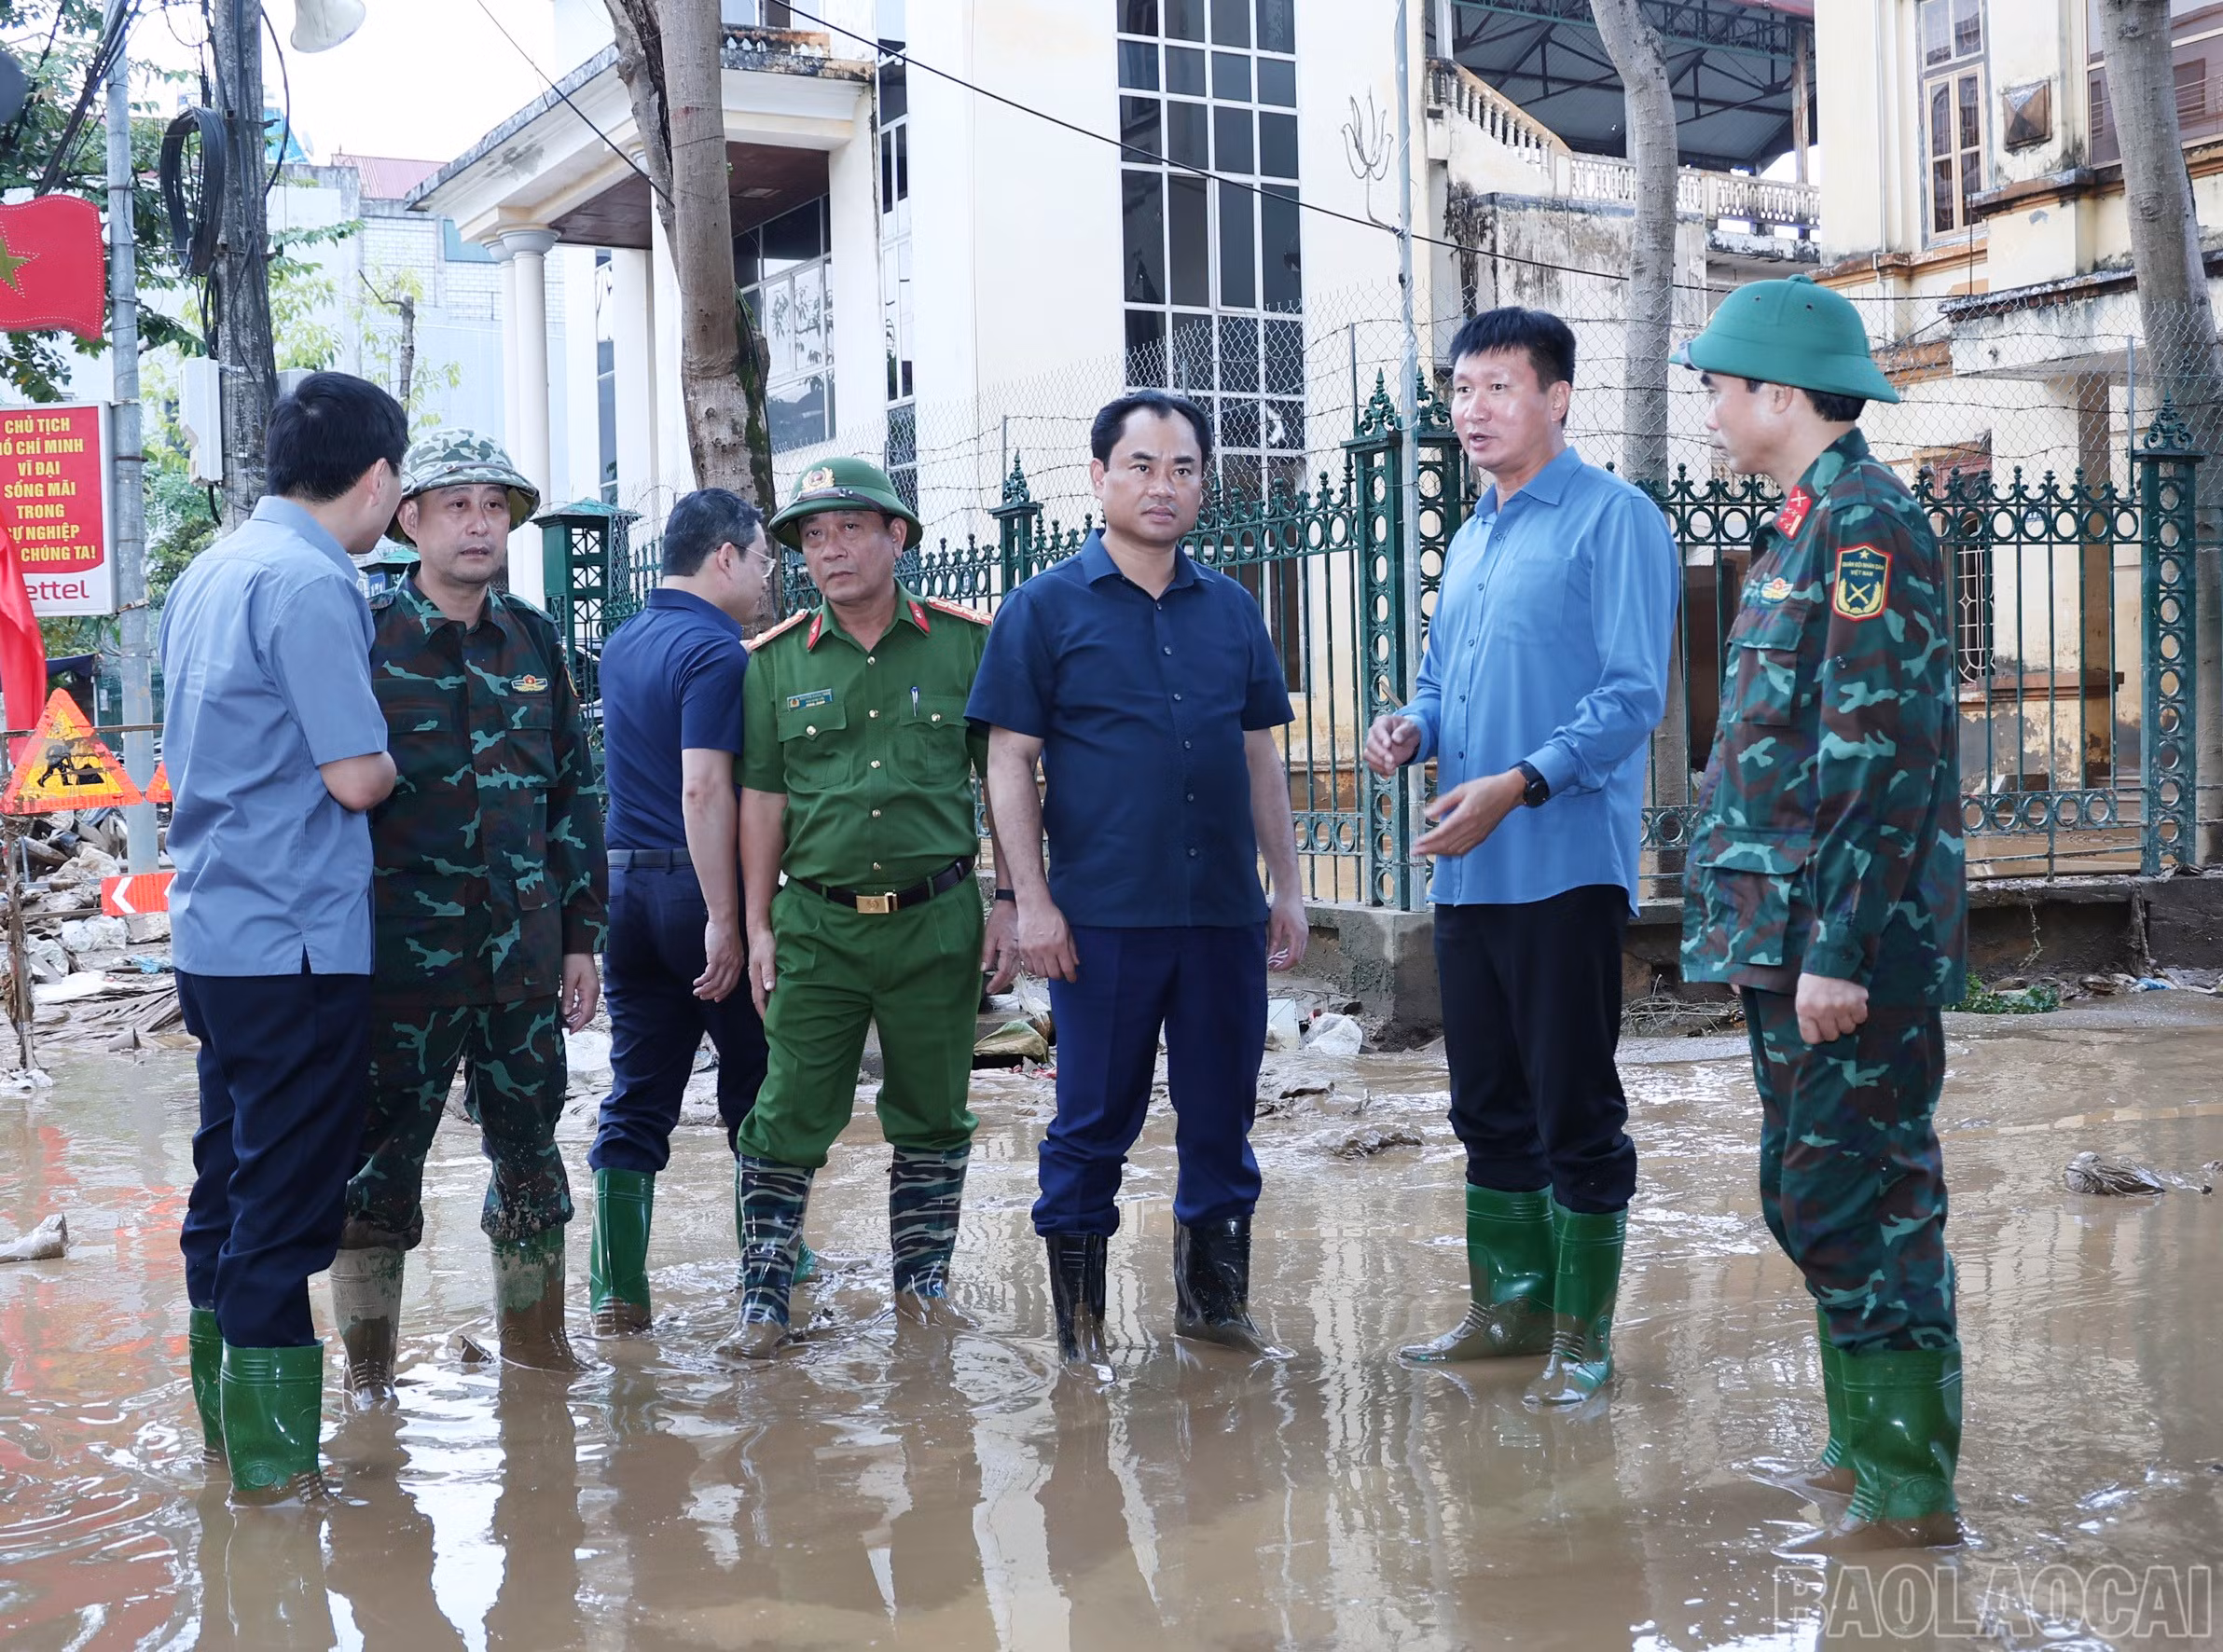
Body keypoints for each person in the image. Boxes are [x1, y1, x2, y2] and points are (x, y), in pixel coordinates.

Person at [1676, 274, 1967, 1550]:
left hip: (1838, 950)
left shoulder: (1866, 532)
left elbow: (1877, 761)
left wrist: (1839, 949)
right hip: (1785, 941)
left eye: (1720, 389)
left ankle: (1909, 1491)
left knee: (1857, 1200)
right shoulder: (1806, 526)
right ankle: (1867, 1454)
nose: (1710, 413)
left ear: (1782, 396)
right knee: (1817, 1198)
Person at [1365, 307, 1678, 1407]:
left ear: (1555, 397)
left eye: (1496, 387)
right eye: (1459, 390)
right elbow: (1448, 684)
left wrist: (1517, 781)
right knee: (1484, 1101)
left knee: (1572, 1104)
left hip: (1559, 861)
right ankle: (1506, 1311)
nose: (1471, 411)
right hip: (1469, 868)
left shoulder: (1613, 519)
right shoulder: (1470, 535)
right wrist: (1412, 725)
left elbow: (1632, 693)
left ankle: (1581, 1336)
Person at [969, 391, 1309, 1378]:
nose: (1164, 485)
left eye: (1184, 467)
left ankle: (1213, 1314)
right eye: (1142, 465)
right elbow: (1008, 761)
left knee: (1220, 1121)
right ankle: (1079, 1333)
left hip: (1218, 920)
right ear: (1098, 478)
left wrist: (1283, 886)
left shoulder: (1232, 608)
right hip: (1100, 923)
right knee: (1090, 1124)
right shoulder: (1041, 610)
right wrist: (1028, 900)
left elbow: (1258, 760)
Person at [160, 372, 404, 1503]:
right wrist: (398, 763)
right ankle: (272, 1484)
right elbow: (356, 777)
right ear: (377, 477)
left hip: (215, 933)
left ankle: (224, 1445)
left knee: (226, 1179)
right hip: (298, 942)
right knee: (285, 1206)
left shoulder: (208, 568)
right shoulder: (314, 581)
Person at [330, 430, 607, 1396]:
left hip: (521, 962)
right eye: (458, 504)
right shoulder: (363, 638)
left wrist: (580, 938)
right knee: (373, 1171)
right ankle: (368, 1383)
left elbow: (574, 796)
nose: (480, 523)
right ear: (409, 519)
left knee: (531, 1159)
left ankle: (538, 1356)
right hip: (396, 963)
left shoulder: (532, 642)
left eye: (495, 507)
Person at [727, 458, 1020, 1357]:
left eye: (850, 528)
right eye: (813, 537)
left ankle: (922, 1294)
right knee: (785, 1112)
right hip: (818, 925)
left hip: (939, 922)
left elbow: (1004, 777)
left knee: (933, 1112)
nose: (831, 550)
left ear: (898, 535)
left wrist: (1010, 899)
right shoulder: (773, 665)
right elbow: (762, 804)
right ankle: (764, 1301)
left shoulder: (967, 645)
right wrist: (758, 926)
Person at [585, 489, 784, 1335]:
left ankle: (616, 1294)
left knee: (637, 1096)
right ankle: (771, 1279)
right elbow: (704, 787)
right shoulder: (719, 655)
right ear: (726, 558)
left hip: (624, 893)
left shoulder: (623, 641)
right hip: (695, 892)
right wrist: (726, 917)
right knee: (756, 1087)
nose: (773, 577)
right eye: (766, 560)